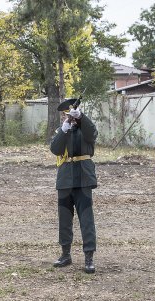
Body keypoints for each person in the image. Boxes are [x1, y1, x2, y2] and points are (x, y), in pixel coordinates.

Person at [49, 98, 97, 274]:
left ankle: (89, 256)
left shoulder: (86, 128)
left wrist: (81, 118)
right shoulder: (62, 130)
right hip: (65, 179)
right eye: (66, 114)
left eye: (72, 114)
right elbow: (55, 148)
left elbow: (92, 133)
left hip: (83, 178)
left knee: (86, 219)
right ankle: (65, 253)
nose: (70, 117)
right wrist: (64, 130)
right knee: (64, 218)